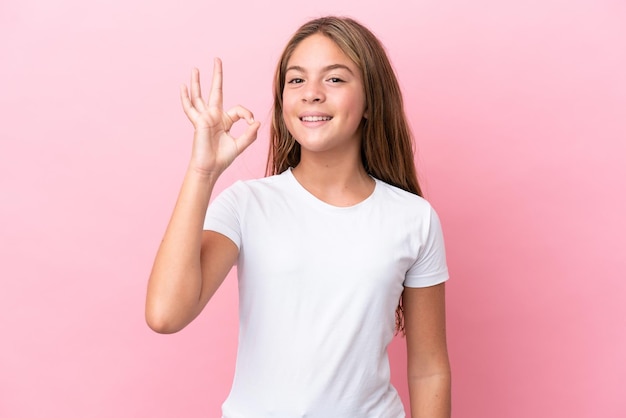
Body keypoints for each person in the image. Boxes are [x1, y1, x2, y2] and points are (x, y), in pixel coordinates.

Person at [146, 16, 451, 418]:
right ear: (283, 101)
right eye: (296, 80)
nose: (312, 94)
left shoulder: (414, 219)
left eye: (335, 79)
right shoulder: (246, 205)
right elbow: (165, 314)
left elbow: (429, 369)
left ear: (370, 103)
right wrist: (202, 172)